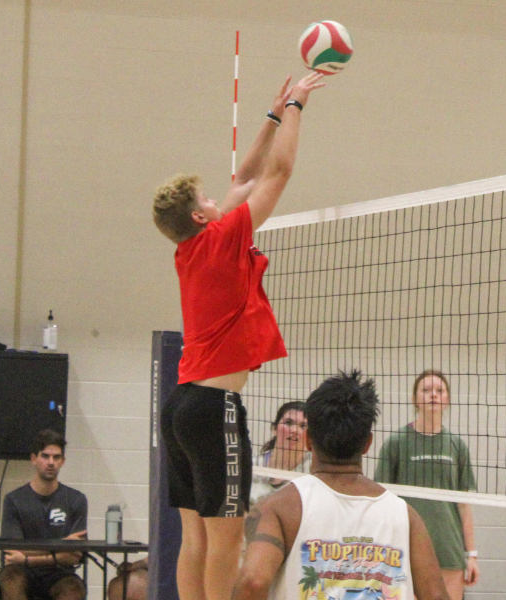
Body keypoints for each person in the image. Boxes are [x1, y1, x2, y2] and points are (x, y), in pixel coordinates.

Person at [153, 72, 326, 600]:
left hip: (180, 404)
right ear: (203, 217)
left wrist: (270, 117)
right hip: (213, 409)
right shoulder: (225, 237)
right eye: (209, 197)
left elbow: (245, 176)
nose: (220, 197)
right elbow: (278, 172)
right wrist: (298, 105)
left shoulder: (190, 249)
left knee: (195, 538)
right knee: (226, 539)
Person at [230, 371, 450, 600]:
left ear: (308, 440)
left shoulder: (277, 508)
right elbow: (436, 595)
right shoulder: (407, 515)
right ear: (367, 444)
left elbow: (252, 583)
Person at [376, 370, 481, 600]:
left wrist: (471, 554)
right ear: (415, 399)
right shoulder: (396, 443)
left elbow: (464, 504)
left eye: (439, 390)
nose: (433, 395)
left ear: (447, 399)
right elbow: (381, 502)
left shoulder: (457, 445)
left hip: (448, 549)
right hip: (405, 548)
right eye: (426, 390)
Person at [0, 429, 88, 600]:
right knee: (10, 580)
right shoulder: (14, 499)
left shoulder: (76, 499)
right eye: (45, 456)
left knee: (73, 590)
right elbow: (12, 551)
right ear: (34, 459)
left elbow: (73, 555)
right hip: (21, 572)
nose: (51, 462)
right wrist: (61, 545)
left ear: (63, 461)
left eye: (56, 457)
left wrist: (27, 558)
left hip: (59, 573)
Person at [251, 401, 312, 506]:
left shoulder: (315, 469)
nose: (294, 430)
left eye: (303, 426)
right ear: (274, 429)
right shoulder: (251, 464)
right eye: (288, 423)